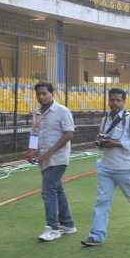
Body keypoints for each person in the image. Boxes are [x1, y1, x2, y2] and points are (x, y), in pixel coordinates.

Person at [81, 88, 130, 247]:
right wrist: (101, 141)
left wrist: (117, 143)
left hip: (125, 168)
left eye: (118, 100)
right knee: (102, 202)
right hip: (106, 167)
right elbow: (104, 138)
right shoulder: (105, 119)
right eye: (112, 100)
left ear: (124, 102)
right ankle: (96, 236)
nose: (114, 103)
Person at [26, 82, 77, 242]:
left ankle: (53, 228)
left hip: (58, 158)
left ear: (52, 93)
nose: (41, 97)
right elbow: (34, 132)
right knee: (57, 189)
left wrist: (49, 153)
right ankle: (68, 224)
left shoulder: (62, 111)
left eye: (44, 93)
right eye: (38, 94)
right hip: (43, 158)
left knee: (48, 191)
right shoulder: (37, 113)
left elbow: (69, 134)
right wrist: (31, 149)